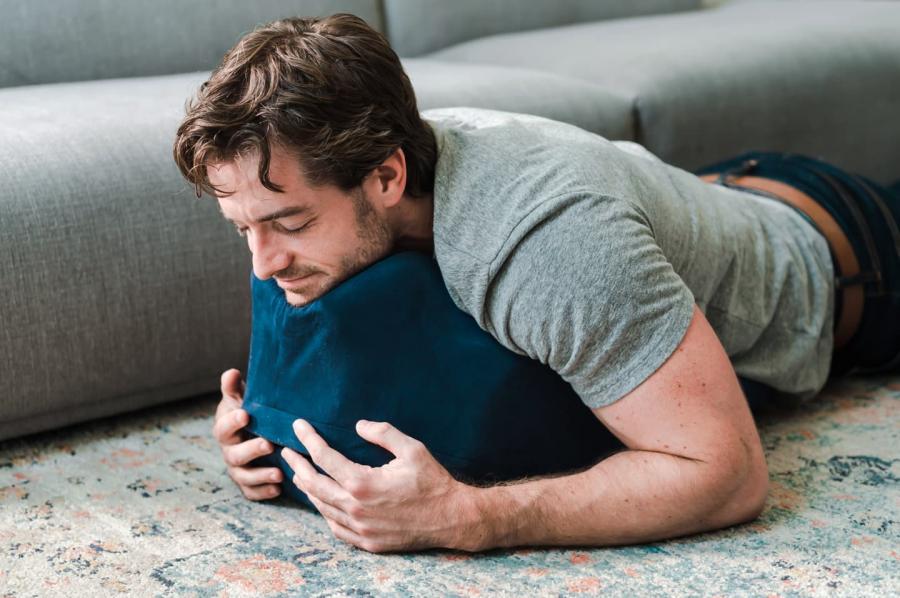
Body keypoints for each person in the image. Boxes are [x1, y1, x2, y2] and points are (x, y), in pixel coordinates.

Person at [172, 14, 900, 553]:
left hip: (852, 254)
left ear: (388, 175)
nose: (263, 262)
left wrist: (466, 516)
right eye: (246, 228)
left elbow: (727, 474)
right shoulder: (373, 177)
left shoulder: (550, 247)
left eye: (291, 224)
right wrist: (264, 430)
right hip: (712, 192)